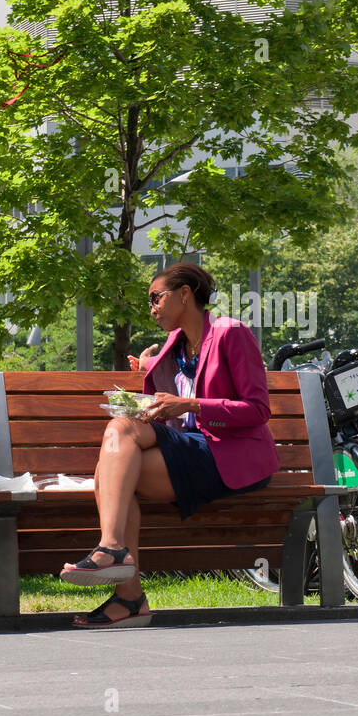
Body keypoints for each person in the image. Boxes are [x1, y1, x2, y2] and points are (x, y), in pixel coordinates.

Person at [61, 263, 279, 627]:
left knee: (112, 470)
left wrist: (192, 405)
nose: (151, 308)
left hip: (228, 454)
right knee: (114, 458)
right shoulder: (174, 347)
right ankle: (123, 581)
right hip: (191, 448)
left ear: (184, 294)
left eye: (155, 298)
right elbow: (171, 402)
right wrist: (148, 374)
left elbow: (258, 410)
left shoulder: (230, 333)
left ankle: (119, 570)